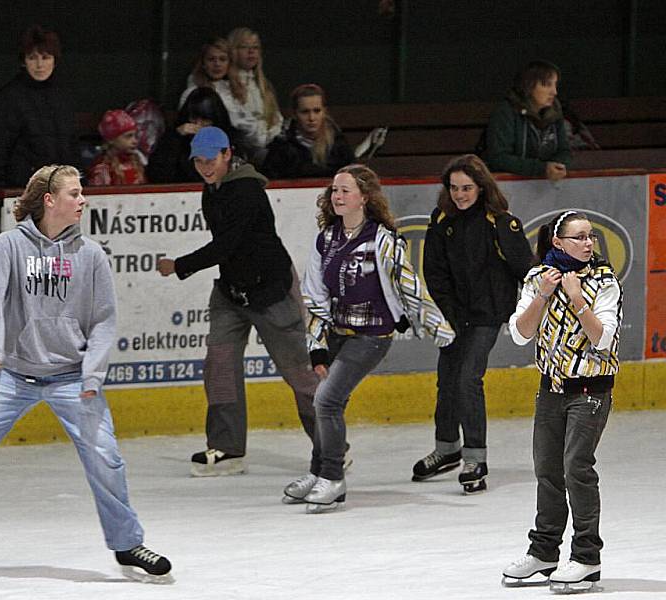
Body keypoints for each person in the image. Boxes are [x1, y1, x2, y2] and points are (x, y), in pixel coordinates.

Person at [0, 165, 172, 583]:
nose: (83, 200)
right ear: (49, 200)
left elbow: (105, 319)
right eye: (74, 193)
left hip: (73, 377)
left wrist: (93, 373)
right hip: (13, 373)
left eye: (82, 192)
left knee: (106, 458)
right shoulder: (9, 246)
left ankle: (128, 545)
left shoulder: (91, 255)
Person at [282, 164, 455, 513]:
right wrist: (317, 348)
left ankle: (332, 478)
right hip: (337, 334)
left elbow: (410, 286)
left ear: (364, 197)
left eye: (345, 190)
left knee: (327, 401)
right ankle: (318, 473)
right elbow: (314, 296)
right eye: (334, 190)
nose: (338, 196)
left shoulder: (382, 240)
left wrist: (440, 331)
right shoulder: (327, 239)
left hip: (373, 335)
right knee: (324, 400)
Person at [155, 127, 318, 476]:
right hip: (231, 292)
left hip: (271, 290)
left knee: (299, 372)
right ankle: (228, 448)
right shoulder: (212, 190)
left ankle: (330, 444)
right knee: (220, 365)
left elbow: (227, 244)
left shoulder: (245, 191)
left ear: (228, 154)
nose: (204, 167)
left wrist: (178, 266)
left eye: (210, 160)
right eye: (198, 161)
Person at [502, 210, 621, 593]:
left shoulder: (604, 281)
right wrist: (544, 296)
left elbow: (603, 339)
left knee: (576, 468)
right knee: (547, 470)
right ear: (558, 243)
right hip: (550, 389)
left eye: (591, 237)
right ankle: (544, 552)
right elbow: (521, 334)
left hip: (590, 390)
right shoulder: (538, 278)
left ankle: (587, 557)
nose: (588, 244)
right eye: (579, 237)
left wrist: (577, 300)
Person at [412, 154, 532, 494]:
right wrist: (447, 312)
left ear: (481, 187)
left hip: (489, 314)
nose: (460, 195)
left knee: (468, 379)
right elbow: (434, 271)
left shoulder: (500, 221)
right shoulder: (441, 219)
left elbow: (525, 267)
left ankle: (475, 456)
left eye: (466, 188)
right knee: (447, 379)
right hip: (455, 315)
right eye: (454, 188)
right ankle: (447, 447)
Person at [0, 25, 80, 234]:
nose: (39, 65)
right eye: (33, 58)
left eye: (45, 57)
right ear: (23, 61)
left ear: (55, 59)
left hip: (60, 200)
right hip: (22, 199)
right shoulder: (7, 100)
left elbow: (72, 150)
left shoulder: (63, 97)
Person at [482, 60, 571, 181]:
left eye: (555, 85)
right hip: (506, 185)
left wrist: (557, 166)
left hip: (543, 186)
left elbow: (564, 150)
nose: (554, 92)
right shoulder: (506, 112)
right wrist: (541, 168)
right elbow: (499, 158)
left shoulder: (555, 112)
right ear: (529, 86)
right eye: (547, 85)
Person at [147, 87, 241, 184]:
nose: (198, 125)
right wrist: (175, 137)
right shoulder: (176, 140)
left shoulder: (232, 141)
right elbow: (157, 176)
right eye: (194, 119)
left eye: (205, 120)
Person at [261, 84, 355, 180]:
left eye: (317, 111)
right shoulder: (281, 147)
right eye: (305, 112)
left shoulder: (338, 144)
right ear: (294, 113)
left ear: (324, 111)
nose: (311, 118)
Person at [226, 27, 284, 163]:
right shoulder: (225, 86)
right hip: (243, 149)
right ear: (233, 51)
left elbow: (276, 119)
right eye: (244, 47)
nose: (251, 51)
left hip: (268, 146)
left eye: (255, 47)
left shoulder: (263, 85)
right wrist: (261, 137)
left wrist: (270, 136)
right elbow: (238, 122)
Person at [87, 109, 147, 186]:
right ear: (111, 140)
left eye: (135, 136)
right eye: (128, 136)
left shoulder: (136, 162)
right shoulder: (102, 168)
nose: (134, 141)